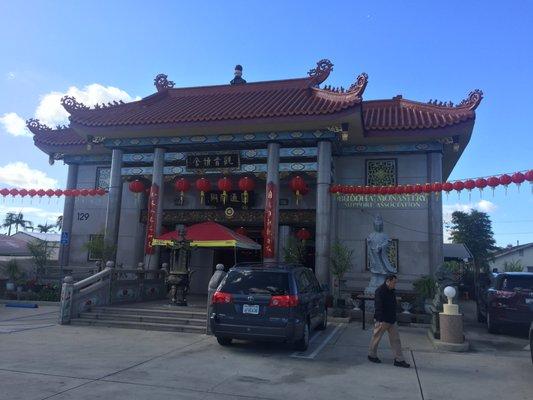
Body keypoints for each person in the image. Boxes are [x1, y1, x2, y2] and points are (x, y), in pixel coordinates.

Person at [368, 274, 410, 368]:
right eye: (394, 282)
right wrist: (378, 319)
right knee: (376, 338)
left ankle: (399, 359)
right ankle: (372, 355)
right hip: (382, 319)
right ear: (388, 281)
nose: (395, 284)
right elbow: (378, 305)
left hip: (392, 319)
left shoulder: (392, 291)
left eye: (395, 282)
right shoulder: (379, 291)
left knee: (396, 340)